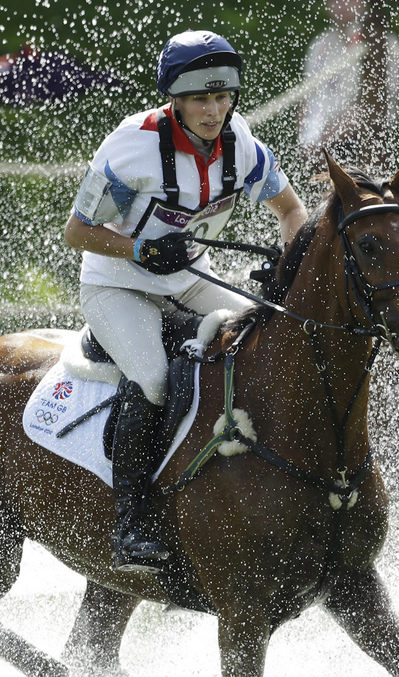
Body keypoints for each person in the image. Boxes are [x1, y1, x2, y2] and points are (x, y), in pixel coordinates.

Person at [64, 30, 307, 574]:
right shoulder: (134, 149)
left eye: (222, 98)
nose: (213, 111)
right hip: (117, 284)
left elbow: (292, 213)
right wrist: (140, 248)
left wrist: (287, 259)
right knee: (151, 377)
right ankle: (130, 523)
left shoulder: (240, 145)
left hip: (189, 278)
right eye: (200, 99)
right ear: (175, 100)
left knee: (265, 338)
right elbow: (77, 232)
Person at [297, 0, 399, 175]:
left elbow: (377, 106)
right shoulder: (321, 45)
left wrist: (328, 140)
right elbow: (310, 101)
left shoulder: (380, 43)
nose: (339, 4)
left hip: (364, 141)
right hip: (323, 144)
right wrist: (308, 142)